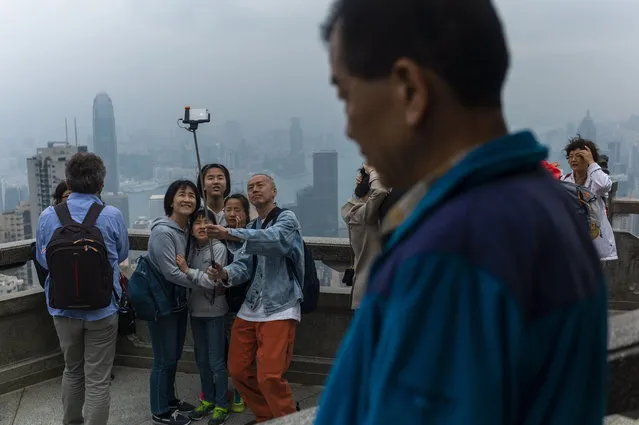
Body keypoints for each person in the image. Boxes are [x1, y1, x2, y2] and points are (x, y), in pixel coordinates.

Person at [315, 1, 607, 424]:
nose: (349, 126)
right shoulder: (547, 205)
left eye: (347, 95)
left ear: (409, 90)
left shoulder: (452, 251)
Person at [35, 153, 129, 425]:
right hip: (102, 308)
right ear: (101, 183)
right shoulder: (111, 215)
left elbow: (44, 259)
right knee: (98, 379)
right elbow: (121, 253)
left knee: (72, 371)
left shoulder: (48, 216)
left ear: (68, 182)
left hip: (62, 307)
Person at [207, 174, 304, 424]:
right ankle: (266, 415)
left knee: (269, 375)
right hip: (252, 305)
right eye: (250, 187)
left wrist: (230, 233)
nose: (255, 189)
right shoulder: (250, 228)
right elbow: (243, 267)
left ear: (275, 191)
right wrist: (225, 273)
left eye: (261, 185)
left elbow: (276, 241)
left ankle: (286, 419)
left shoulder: (286, 219)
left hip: (281, 304)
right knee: (238, 370)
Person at [146, 180, 202, 425]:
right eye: (182, 195)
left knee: (173, 355)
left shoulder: (185, 229)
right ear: (171, 200)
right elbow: (171, 272)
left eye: (192, 195)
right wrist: (203, 280)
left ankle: (169, 400)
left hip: (177, 301)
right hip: (162, 303)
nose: (187, 199)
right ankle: (159, 410)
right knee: (163, 358)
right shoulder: (163, 231)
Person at [177, 209, 231, 425]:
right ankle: (207, 399)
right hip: (195, 311)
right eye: (197, 223)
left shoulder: (217, 249)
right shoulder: (191, 250)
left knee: (217, 361)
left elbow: (214, 282)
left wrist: (187, 271)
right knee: (201, 360)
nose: (201, 226)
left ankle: (221, 404)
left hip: (215, 312)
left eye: (206, 222)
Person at [561, 136, 617, 261]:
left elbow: (605, 185)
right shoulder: (564, 181)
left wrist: (592, 163)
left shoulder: (596, 179)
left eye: (579, 156)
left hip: (595, 239)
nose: (573, 160)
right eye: (570, 156)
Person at [341, 164, 388, 309]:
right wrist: (374, 172)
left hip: (368, 293)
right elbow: (380, 191)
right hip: (372, 293)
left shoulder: (355, 210)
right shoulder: (361, 214)